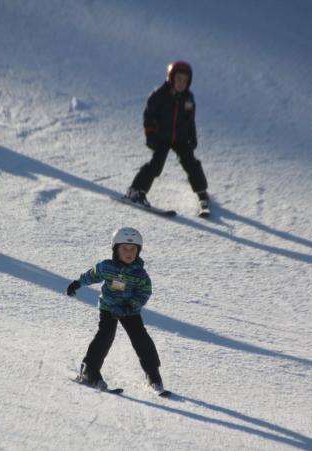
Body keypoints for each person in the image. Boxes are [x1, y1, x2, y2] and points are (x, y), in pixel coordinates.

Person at [66, 227, 164, 392]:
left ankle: (153, 374)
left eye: (133, 249)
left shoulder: (140, 275)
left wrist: (129, 306)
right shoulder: (107, 267)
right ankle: (90, 371)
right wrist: (77, 283)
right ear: (116, 249)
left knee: (141, 339)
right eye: (124, 248)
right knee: (105, 336)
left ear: (138, 251)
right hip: (109, 308)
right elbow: (92, 275)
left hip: (129, 311)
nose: (129, 252)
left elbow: (144, 293)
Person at [126, 61, 209, 213]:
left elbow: (190, 121)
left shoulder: (188, 99)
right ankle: (136, 190)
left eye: (185, 81)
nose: (181, 84)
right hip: (162, 136)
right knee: (156, 165)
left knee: (191, 163)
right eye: (178, 79)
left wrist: (192, 136)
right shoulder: (159, 95)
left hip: (181, 138)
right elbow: (148, 116)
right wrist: (150, 134)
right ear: (171, 78)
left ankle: (202, 193)